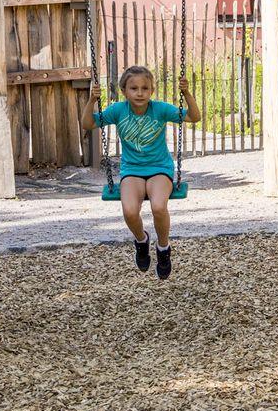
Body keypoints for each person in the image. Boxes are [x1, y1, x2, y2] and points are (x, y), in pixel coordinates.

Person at [84, 65, 202, 279]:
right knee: (129, 211)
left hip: (159, 169)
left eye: (145, 88)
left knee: (158, 206)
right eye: (134, 88)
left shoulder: (160, 109)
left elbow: (195, 117)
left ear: (151, 91)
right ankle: (141, 240)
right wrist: (92, 100)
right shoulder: (118, 111)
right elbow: (87, 123)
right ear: (124, 91)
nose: (140, 93)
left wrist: (186, 93)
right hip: (132, 170)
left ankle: (164, 249)